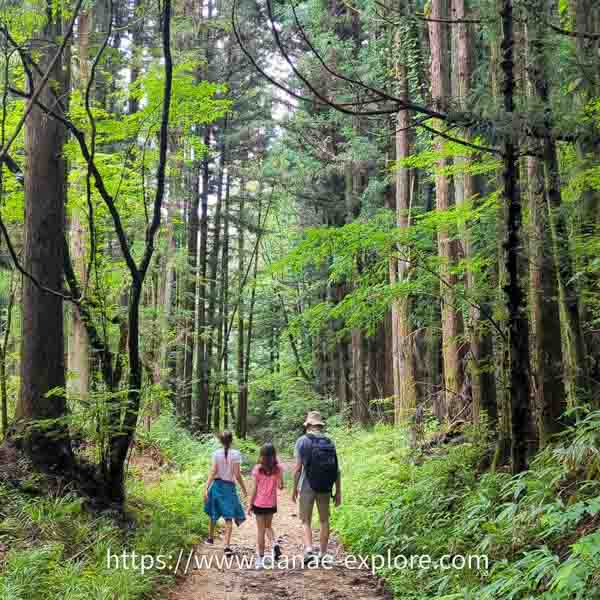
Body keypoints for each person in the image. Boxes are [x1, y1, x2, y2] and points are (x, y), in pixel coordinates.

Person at [292, 411, 341, 565]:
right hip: (325, 486)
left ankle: (308, 551)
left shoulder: (302, 441)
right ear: (320, 426)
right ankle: (323, 553)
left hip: (307, 485)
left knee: (305, 520)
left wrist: (294, 488)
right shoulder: (329, 442)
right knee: (324, 520)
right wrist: (338, 491)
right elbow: (337, 470)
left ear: (307, 425)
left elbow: (298, 468)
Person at [204, 431, 248, 556]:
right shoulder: (236, 454)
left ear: (220, 441)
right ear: (231, 440)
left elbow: (213, 472)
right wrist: (244, 490)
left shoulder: (215, 454)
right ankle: (227, 546)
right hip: (229, 488)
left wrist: (206, 488)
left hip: (216, 486)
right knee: (228, 517)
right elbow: (237, 475)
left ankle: (210, 538)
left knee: (213, 512)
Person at [247, 443, 284, 568]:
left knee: (260, 531)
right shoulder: (277, 469)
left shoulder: (257, 469)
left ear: (261, 455)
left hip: (259, 504)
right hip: (271, 504)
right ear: (274, 455)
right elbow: (280, 486)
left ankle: (260, 558)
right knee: (268, 526)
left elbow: (254, 489)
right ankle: (274, 544)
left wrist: (250, 504)